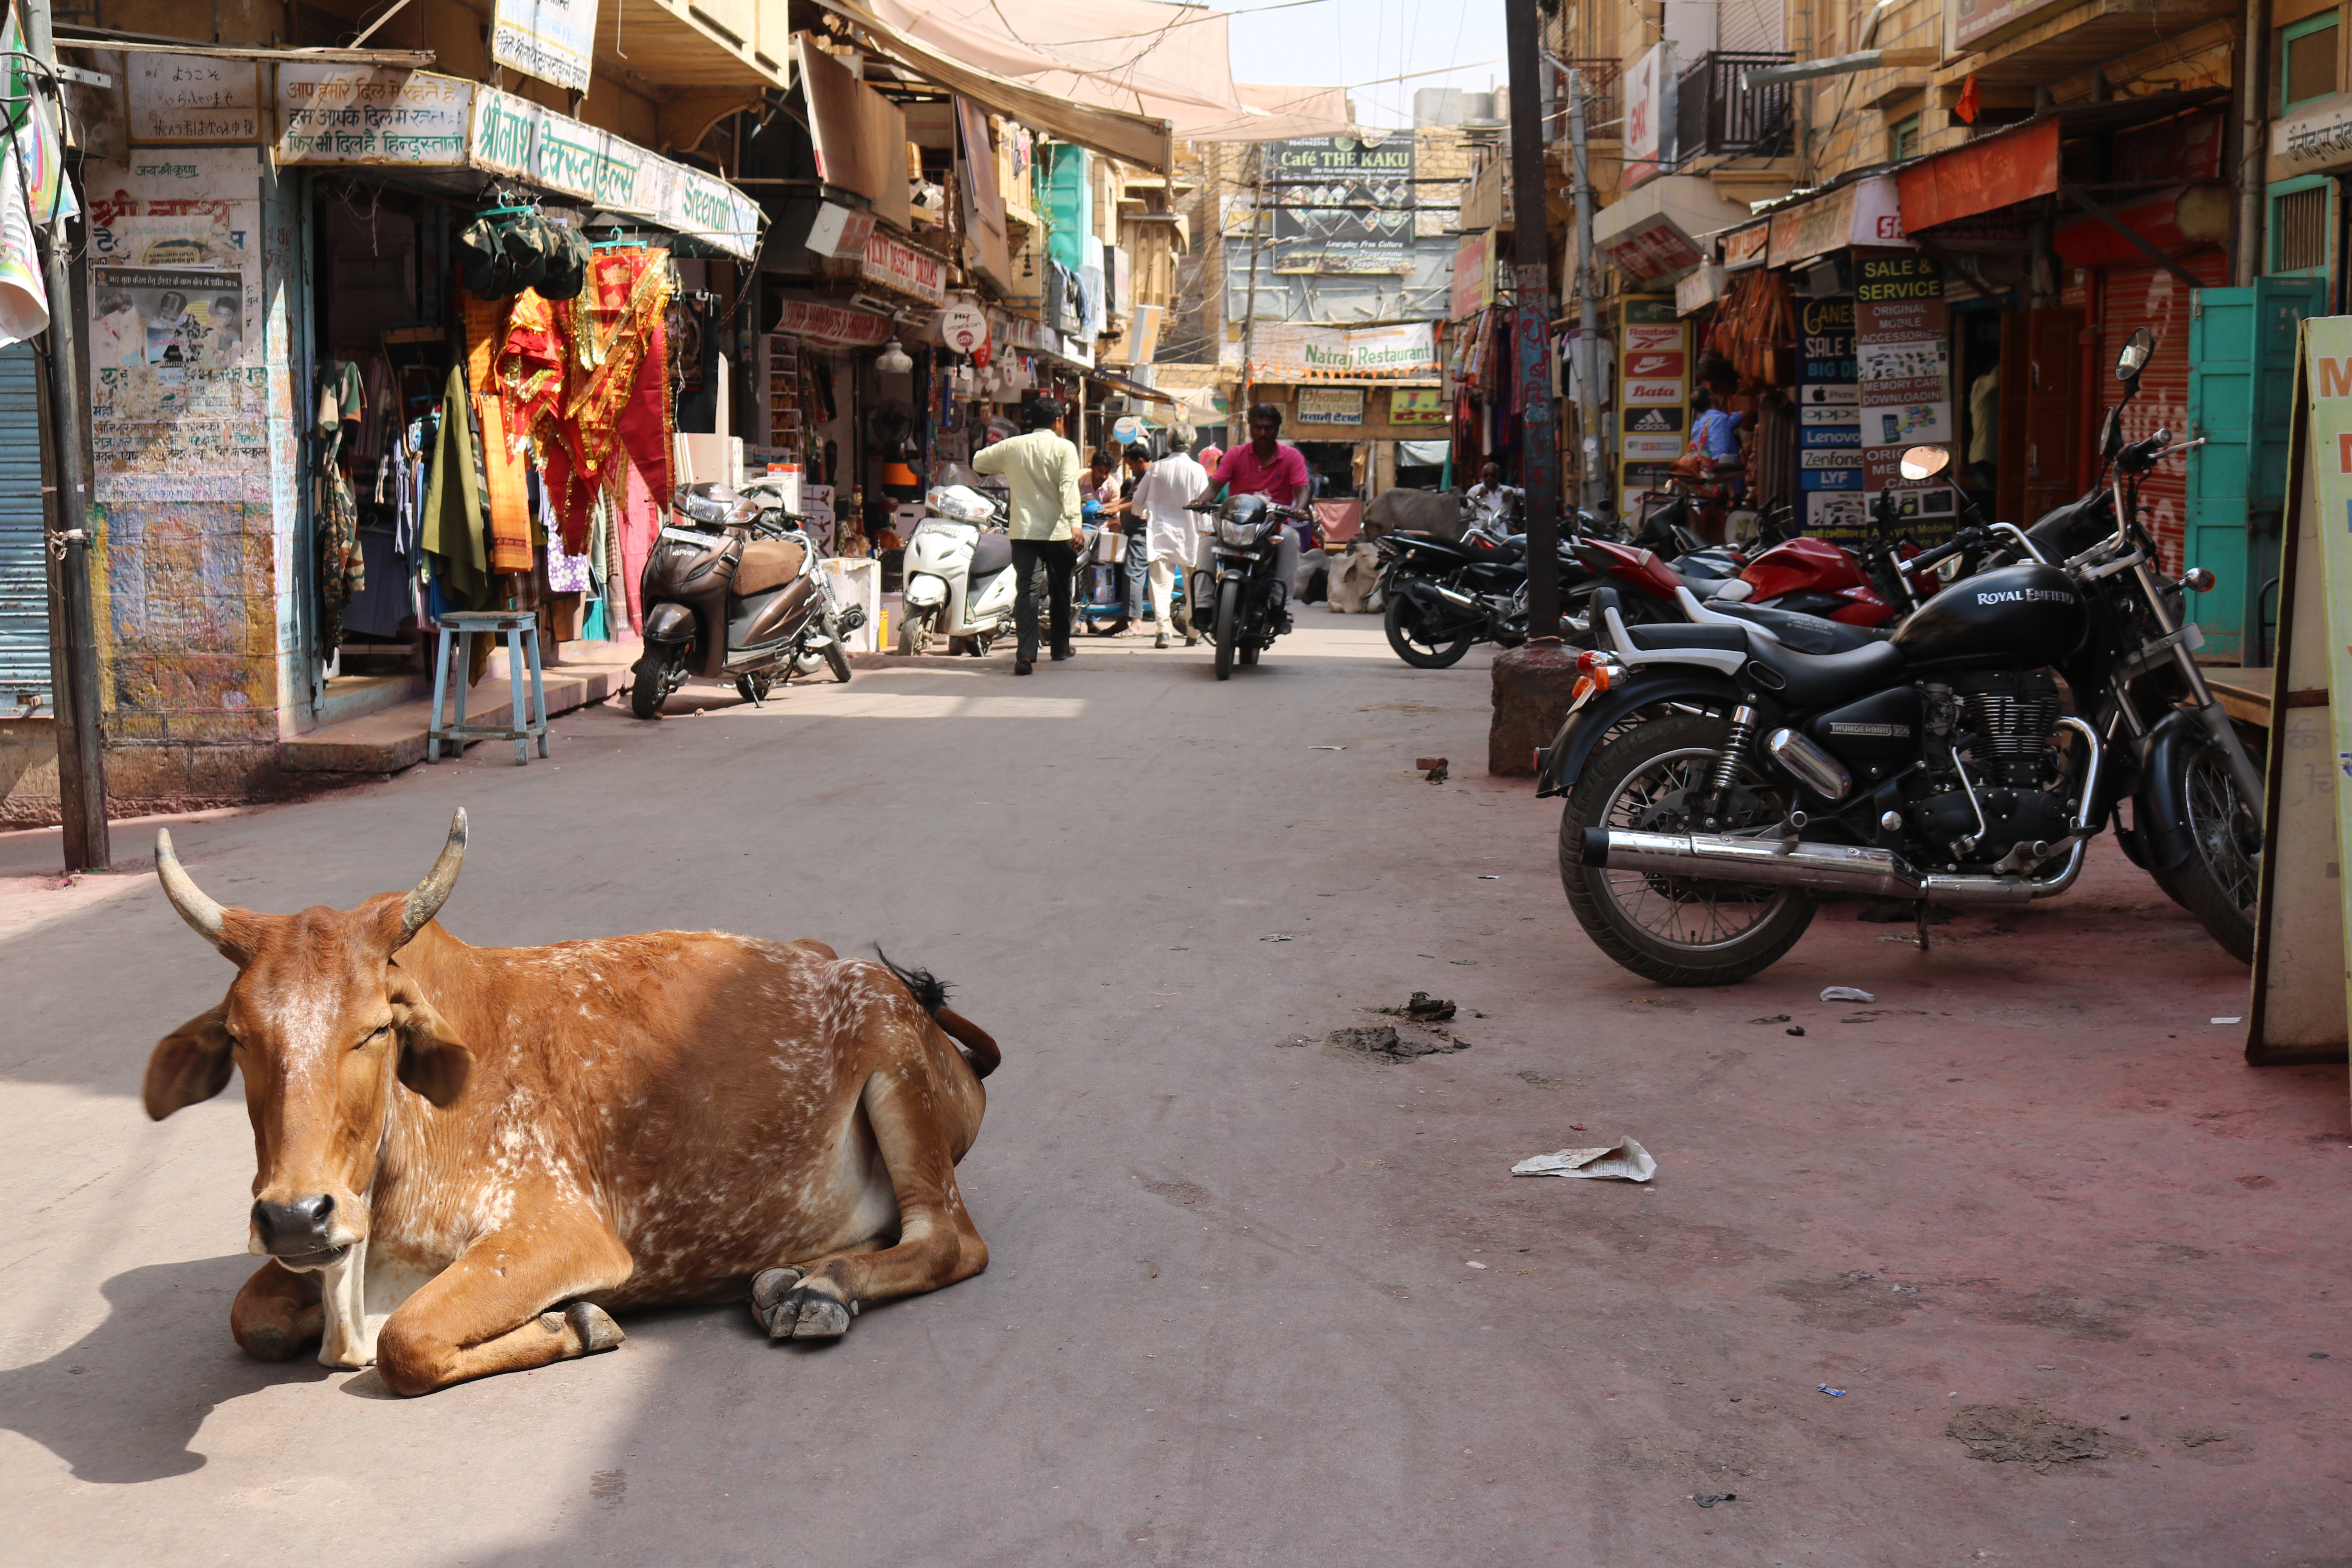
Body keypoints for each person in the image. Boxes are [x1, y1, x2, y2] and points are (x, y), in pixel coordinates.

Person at [970, 397, 1082, 675]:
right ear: (1058, 422)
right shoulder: (1065, 448)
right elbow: (1069, 487)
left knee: (1027, 592)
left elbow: (978, 462)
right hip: (1059, 532)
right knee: (1060, 590)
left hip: (1024, 532)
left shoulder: (1013, 446)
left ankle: (1025, 656)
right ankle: (1060, 647)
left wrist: (1009, 465)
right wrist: (1075, 524)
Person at [1191, 401, 1307, 586]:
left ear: (1277, 429)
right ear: (1250, 428)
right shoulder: (1235, 455)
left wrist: (1300, 509)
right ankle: (1204, 605)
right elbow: (1214, 488)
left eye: (1268, 428)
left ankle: (1280, 602)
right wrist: (1201, 501)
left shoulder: (1292, 457)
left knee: (1291, 539)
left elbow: (1302, 490)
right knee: (1207, 542)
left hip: (1273, 525)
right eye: (1258, 428)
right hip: (1235, 524)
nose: (1263, 433)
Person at [1132, 430, 1210, 647]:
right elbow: (1204, 506)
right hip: (1190, 537)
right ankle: (1193, 633)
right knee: (1193, 587)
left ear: (1169, 443)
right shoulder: (1197, 470)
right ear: (1192, 444)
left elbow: (1138, 502)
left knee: (1160, 585)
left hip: (1161, 534)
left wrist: (1143, 512)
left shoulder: (1157, 469)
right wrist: (1207, 531)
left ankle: (1163, 631)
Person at [1673, 385, 1744, 545]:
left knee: (1706, 528)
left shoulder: (1700, 423)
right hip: (1721, 489)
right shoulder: (1718, 420)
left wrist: (1741, 416)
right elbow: (1720, 460)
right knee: (1723, 533)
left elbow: (1729, 423)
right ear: (1712, 398)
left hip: (1704, 487)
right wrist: (1732, 494)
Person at [1464, 461, 1522, 534]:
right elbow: (1464, 514)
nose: (1489, 478)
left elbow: (1528, 495)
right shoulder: (1475, 491)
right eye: (1486, 475)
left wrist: (1514, 492)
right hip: (1481, 531)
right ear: (1483, 476)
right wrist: (1478, 496)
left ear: (1498, 475)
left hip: (1502, 532)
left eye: (1493, 475)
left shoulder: (1506, 491)